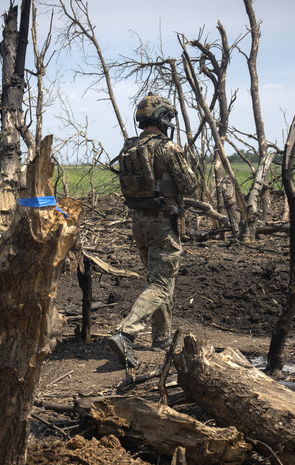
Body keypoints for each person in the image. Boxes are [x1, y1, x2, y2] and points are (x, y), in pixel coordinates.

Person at [107, 93, 197, 368]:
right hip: (162, 222)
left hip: (140, 222)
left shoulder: (129, 148)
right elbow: (190, 185)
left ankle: (162, 337)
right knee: (160, 282)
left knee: (159, 280)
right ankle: (126, 332)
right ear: (162, 118)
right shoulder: (167, 148)